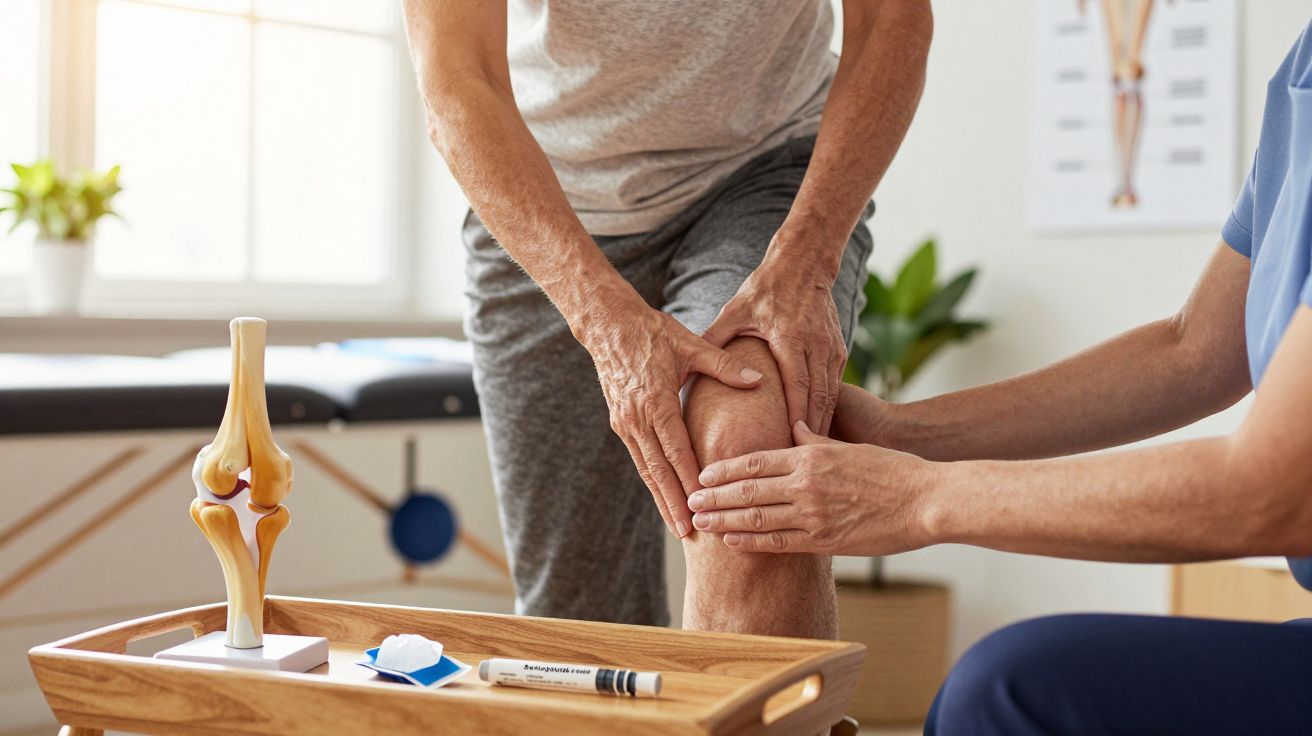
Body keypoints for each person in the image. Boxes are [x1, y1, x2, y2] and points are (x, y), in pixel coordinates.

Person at [685, 19, 1312, 735]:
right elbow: (1191, 350)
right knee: (984, 695)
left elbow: (1276, 494)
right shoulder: (1301, 72)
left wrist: (923, 498)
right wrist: (904, 437)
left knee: (1002, 693)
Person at [400, 0, 932, 639]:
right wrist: (599, 316)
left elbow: (891, 18)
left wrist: (809, 255)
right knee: (579, 619)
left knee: (744, 457)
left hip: (765, 174)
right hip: (544, 196)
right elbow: (460, 77)